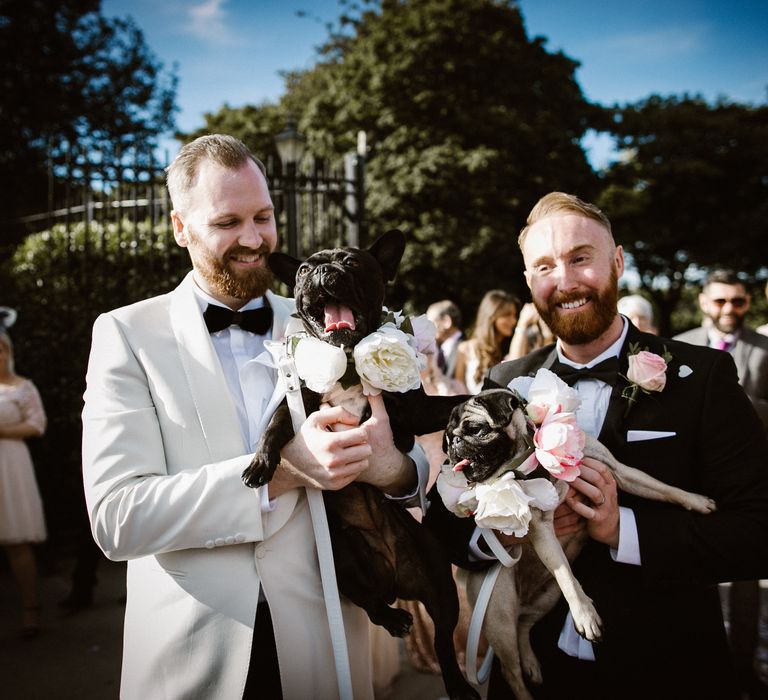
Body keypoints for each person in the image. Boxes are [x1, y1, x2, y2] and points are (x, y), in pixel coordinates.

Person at [81, 134, 429, 699]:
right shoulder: (126, 335)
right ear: (180, 228)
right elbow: (118, 518)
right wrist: (285, 472)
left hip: (326, 645)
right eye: (227, 222)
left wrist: (392, 467)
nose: (252, 239)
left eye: (263, 217)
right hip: (194, 653)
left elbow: (414, 469)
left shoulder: (333, 316)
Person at [475, 192, 768, 699]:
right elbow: (451, 519)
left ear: (618, 261)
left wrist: (622, 530)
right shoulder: (505, 381)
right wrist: (501, 536)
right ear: (528, 283)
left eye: (580, 258)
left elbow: (757, 531)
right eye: (544, 267)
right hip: (535, 670)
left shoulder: (702, 376)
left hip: (664, 667)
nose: (564, 282)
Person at [675, 268, 768, 699]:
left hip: (747, 482)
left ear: (748, 303)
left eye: (738, 301)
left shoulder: (764, 348)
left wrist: (730, 405)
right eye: (720, 301)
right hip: (686, 484)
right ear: (703, 302)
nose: (728, 309)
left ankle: (744, 672)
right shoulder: (680, 347)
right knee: (690, 573)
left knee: (746, 579)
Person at [0, 315, 48, 639]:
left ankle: (31, 610)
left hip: (10, 464)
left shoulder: (22, 387)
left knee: (16, 540)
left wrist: (3, 430)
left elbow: (38, 424)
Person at [454, 290, 519, 393]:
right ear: (492, 316)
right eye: (507, 315)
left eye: (515, 315)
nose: (514, 320)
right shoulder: (465, 348)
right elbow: (458, 390)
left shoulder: (513, 348)